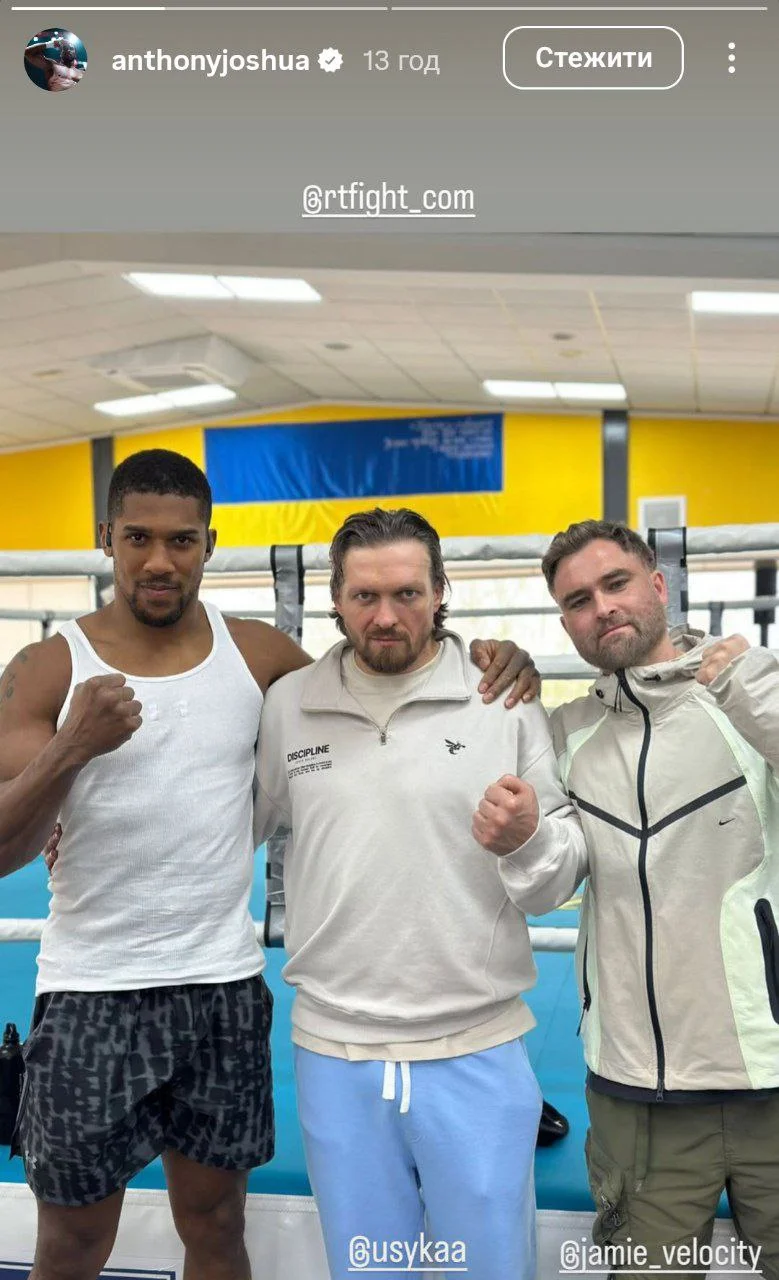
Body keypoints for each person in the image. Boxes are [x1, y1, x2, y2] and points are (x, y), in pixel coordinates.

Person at [0, 449, 533, 1280]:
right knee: (70, 1244)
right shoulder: (49, 668)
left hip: (221, 987)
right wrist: (70, 749)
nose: (159, 560)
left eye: (181, 540)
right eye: (138, 537)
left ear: (209, 545)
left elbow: (378, 668)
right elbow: (4, 849)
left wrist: (490, 654)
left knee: (217, 1226)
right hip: (90, 992)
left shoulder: (260, 658)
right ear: (105, 536)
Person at [254, 507, 588, 1280]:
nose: (385, 616)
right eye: (364, 596)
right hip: (334, 1051)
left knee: (492, 1268)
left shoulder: (501, 698)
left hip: (474, 1045)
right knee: (368, 1269)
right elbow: (228, 825)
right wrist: (86, 823)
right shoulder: (288, 705)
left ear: (440, 592)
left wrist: (527, 839)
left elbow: (557, 878)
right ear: (334, 600)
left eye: (406, 593)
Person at [540, 519, 779, 1280]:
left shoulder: (747, 693)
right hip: (636, 1094)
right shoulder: (564, 735)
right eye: (577, 600)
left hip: (770, 1075)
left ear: (656, 585)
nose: (601, 607)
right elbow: (543, 884)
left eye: (614, 584)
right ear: (565, 624)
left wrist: (749, 686)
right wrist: (517, 839)